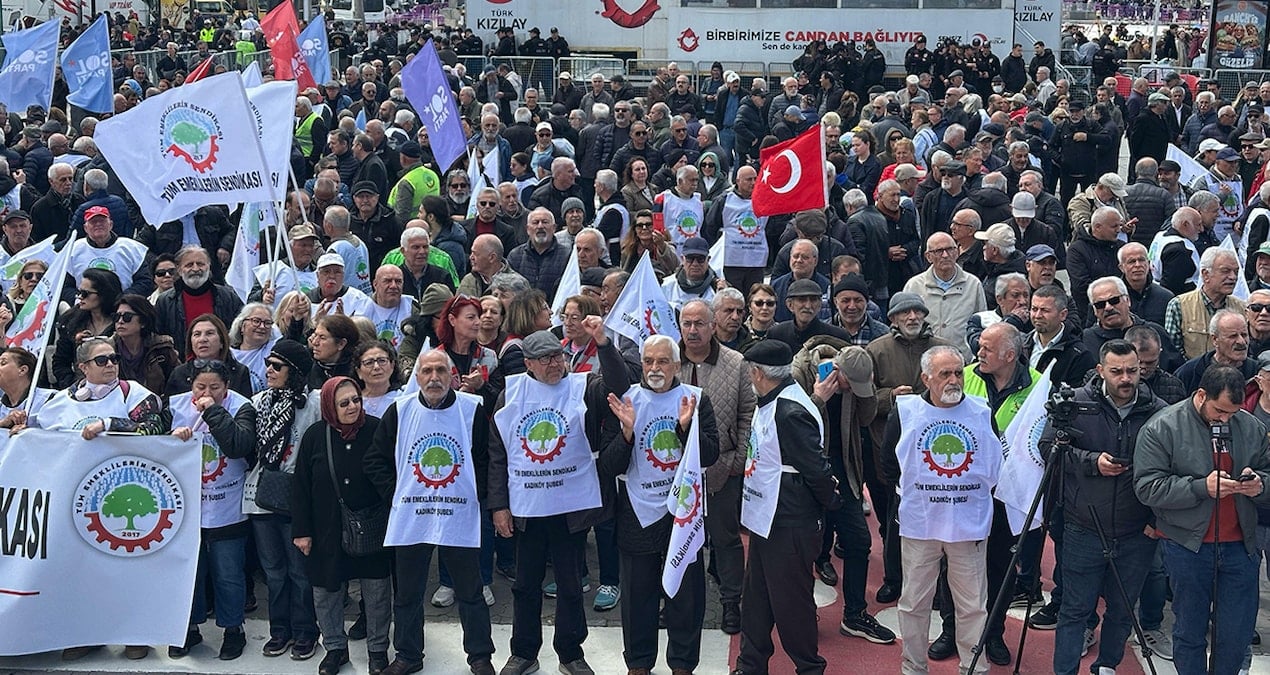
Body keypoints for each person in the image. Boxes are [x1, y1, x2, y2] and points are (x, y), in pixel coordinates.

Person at [487, 323, 628, 675]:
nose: (553, 364)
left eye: (557, 356)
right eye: (544, 359)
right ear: (528, 364)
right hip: (528, 509)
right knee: (525, 585)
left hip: (570, 508)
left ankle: (570, 653)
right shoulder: (509, 395)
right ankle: (523, 653)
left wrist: (604, 345)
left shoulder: (583, 387)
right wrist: (499, 506)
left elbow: (618, 386)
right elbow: (498, 454)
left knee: (570, 585)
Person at [31, 336, 169, 662]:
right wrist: (17, 428)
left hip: (123, 493)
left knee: (129, 568)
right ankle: (86, 634)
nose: (110, 365)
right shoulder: (58, 403)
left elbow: (156, 426)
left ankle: (136, 634)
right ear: (83, 367)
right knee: (80, 572)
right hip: (76, 502)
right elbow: (35, 440)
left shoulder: (133, 394)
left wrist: (109, 424)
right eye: (101, 360)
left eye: (114, 359)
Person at [365, 349, 498, 675]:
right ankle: (408, 655)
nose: (434, 378)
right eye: (427, 371)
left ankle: (480, 656)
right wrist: (397, 494)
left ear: (452, 376)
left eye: (441, 371)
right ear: (417, 376)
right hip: (412, 515)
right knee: (408, 592)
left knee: (470, 590)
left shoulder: (471, 409)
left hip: (459, 514)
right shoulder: (400, 411)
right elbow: (375, 460)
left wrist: (473, 493)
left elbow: (486, 459)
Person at [1135, 365, 1270, 674]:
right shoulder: (1163, 427)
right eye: (1219, 411)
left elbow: (1267, 472)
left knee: (1236, 635)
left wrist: (1260, 484)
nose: (1226, 419)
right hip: (1187, 546)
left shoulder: (1250, 426)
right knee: (1190, 631)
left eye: (1233, 413)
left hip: (1241, 546)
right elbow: (1146, 487)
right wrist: (1201, 488)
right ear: (1200, 395)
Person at [600, 334, 719, 675]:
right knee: (638, 597)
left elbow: (710, 455)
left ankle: (682, 664)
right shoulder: (626, 400)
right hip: (637, 514)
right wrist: (626, 433)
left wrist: (686, 429)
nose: (655, 368)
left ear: (676, 365)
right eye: (649, 361)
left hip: (682, 516)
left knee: (686, 597)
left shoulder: (695, 399)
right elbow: (608, 466)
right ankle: (639, 664)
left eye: (663, 361)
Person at [881, 344, 1001, 675]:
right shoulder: (905, 412)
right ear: (926, 378)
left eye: (958, 373)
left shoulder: (981, 411)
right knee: (914, 603)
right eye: (944, 373)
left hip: (968, 525)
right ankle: (913, 667)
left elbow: (995, 466)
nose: (953, 380)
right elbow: (889, 465)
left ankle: (973, 668)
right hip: (920, 525)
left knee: (973, 605)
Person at [1048, 339, 1165, 675]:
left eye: (1132, 371)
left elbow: (1171, 467)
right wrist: (1091, 462)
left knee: (1122, 610)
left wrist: (1156, 520)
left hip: (1136, 531)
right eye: (1117, 371)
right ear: (1100, 371)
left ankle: (1107, 667)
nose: (1126, 378)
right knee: (1074, 610)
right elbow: (1047, 450)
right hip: (1083, 526)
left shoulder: (1158, 411)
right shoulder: (1073, 404)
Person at [731, 339, 839, 675]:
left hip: (789, 521)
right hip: (768, 517)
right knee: (756, 600)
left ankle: (809, 668)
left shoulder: (789, 411)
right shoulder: (774, 400)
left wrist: (830, 502)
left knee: (792, 604)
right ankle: (751, 665)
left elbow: (816, 469)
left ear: (758, 373)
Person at [291, 376, 392, 675]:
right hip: (326, 529)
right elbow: (301, 486)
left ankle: (377, 650)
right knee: (326, 592)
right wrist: (302, 531)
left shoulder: (375, 429)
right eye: (343, 403)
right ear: (329, 406)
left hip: (372, 526)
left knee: (377, 592)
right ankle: (335, 648)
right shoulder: (315, 436)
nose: (352, 407)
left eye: (356, 400)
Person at [167, 359, 257, 661]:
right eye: (200, 387)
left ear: (227, 386)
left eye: (215, 387)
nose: (207, 393)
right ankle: (188, 628)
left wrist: (212, 411)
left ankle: (233, 629)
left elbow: (239, 445)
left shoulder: (242, 407)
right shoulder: (175, 405)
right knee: (189, 573)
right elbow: (151, 440)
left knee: (228, 572)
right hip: (186, 508)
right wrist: (171, 438)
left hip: (228, 506)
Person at [243, 338, 322, 661]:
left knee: (299, 572)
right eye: (267, 365)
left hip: (297, 497)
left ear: (296, 371)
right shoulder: (257, 401)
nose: (269, 371)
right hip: (260, 495)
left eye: (277, 366)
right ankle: (280, 630)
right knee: (274, 571)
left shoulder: (315, 402)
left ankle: (306, 631)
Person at [903, 231, 986, 358]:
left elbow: (981, 323)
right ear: (928, 256)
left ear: (957, 252)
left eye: (950, 249)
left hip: (963, 359)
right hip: (925, 358)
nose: (945, 255)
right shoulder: (914, 286)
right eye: (939, 251)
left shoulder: (973, 284)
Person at [52, 268, 121, 388]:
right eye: (79, 292)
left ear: (103, 294)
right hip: (79, 389)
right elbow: (60, 362)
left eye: (85, 293)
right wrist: (72, 386)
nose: (80, 297)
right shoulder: (71, 322)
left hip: (117, 387)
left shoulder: (122, 322)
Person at [166, 314, 254, 397]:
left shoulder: (239, 372)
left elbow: (245, 405)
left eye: (209, 333)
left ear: (222, 342)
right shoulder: (179, 374)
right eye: (197, 334)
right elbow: (169, 405)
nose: (202, 339)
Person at [112, 294, 180, 396]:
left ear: (143, 322)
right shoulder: (108, 349)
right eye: (116, 317)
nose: (120, 321)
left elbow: (178, 383)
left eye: (127, 317)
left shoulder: (162, 348)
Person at [231, 303, 279, 393]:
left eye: (267, 323)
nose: (262, 326)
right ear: (242, 326)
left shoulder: (274, 349)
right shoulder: (228, 354)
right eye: (256, 321)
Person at [620, 209, 679, 281]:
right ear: (634, 230)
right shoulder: (628, 249)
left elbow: (676, 266)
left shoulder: (666, 246)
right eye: (640, 225)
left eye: (649, 225)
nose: (644, 228)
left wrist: (661, 245)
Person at [308, 314, 361, 389]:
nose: (314, 342)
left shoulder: (357, 373)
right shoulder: (308, 364)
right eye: (315, 335)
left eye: (322, 338)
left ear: (341, 344)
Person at [353, 341, 403, 419]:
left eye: (382, 361)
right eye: (369, 363)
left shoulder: (403, 397)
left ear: (392, 365)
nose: (376, 367)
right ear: (358, 371)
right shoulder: (353, 403)